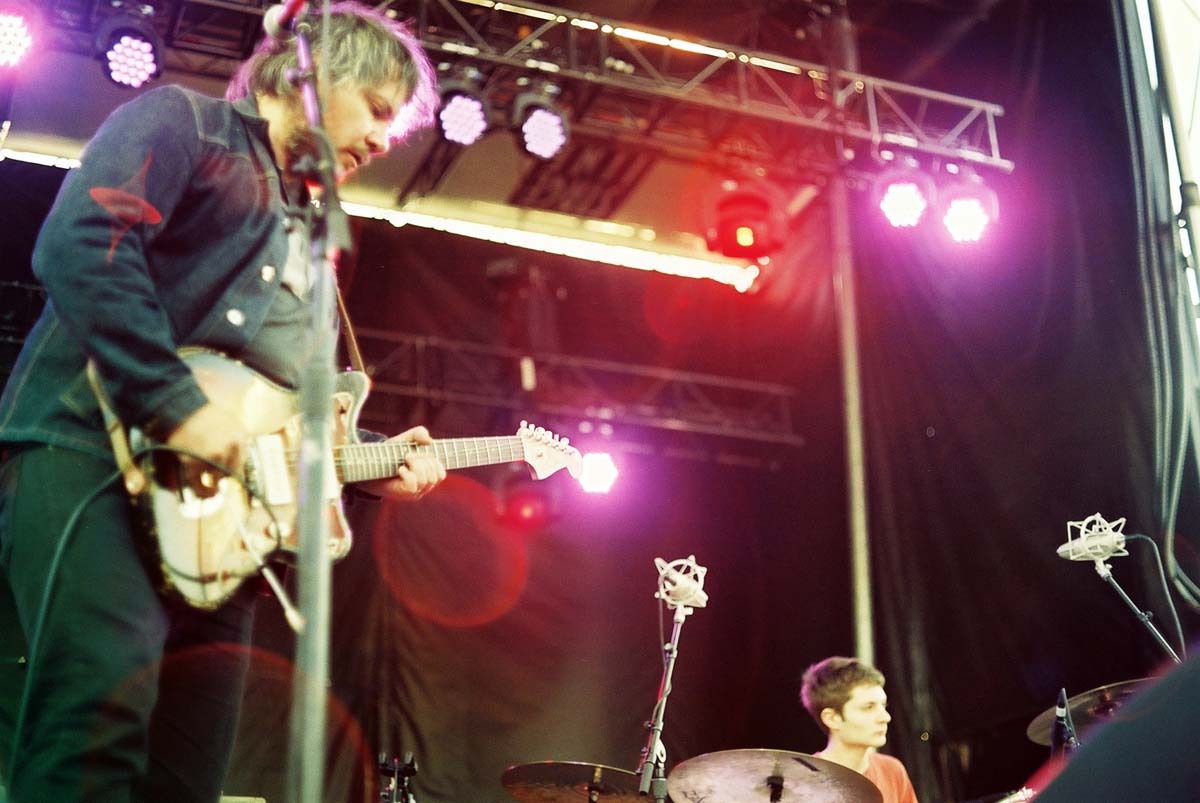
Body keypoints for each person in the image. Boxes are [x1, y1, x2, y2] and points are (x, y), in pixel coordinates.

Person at [0, 3, 444, 801]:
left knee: (187, 777)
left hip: (220, 534)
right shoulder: (184, 124)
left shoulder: (314, 237)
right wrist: (181, 405)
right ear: (320, 71)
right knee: (91, 749)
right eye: (378, 109)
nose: (384, 140)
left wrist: (370, 460)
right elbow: (79, 246)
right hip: (94, 464)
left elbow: (279, 415)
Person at [800, 656, 919, 803]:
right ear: (832, 718)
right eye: (868, 707)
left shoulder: (892, 770)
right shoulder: (803, 783)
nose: (885, 717)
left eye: (883, 705)